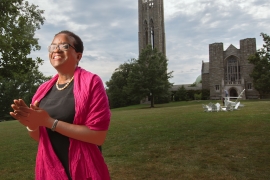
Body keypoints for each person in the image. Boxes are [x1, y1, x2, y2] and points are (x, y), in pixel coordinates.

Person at [10, 30, 111, 180]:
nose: (56, 50)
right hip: (50, 170)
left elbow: (98, 136)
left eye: (64, 45)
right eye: (53, 46)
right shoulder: (42, 90)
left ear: (78, 56)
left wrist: (48, 122)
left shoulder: (91, 83)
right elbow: (41, 137)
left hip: (83, 170)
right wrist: (31, 124)